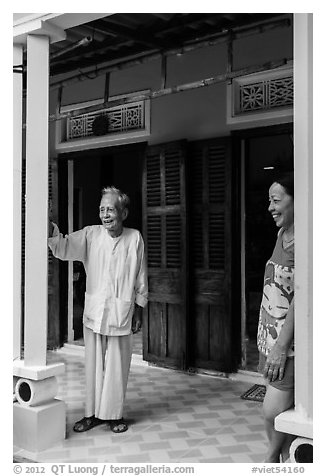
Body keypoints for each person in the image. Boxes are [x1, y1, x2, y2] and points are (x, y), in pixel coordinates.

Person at [48, 186, 148, 433]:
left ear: (123, 213)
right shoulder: (91, 235)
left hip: (121, 311)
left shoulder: (134, 238)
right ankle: (91, 415)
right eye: (102, 209)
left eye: (111, 209)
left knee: (117, 366)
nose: (105, 215)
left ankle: (113, 415)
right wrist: (48, 226)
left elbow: (141, 277)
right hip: (95, 311)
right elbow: (63, 247)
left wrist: (140, 309)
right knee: (93, 366)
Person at [257, 172, 295, 463]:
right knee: (280, 417)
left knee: (273, 412)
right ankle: (283, 462)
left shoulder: (305, 242)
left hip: (287, 345)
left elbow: (302, 298)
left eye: (276, 200)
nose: (270, 207)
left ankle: (269, 462)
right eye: (269, 200)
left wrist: (282, 346)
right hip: (269, 338)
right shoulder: (282, 234)